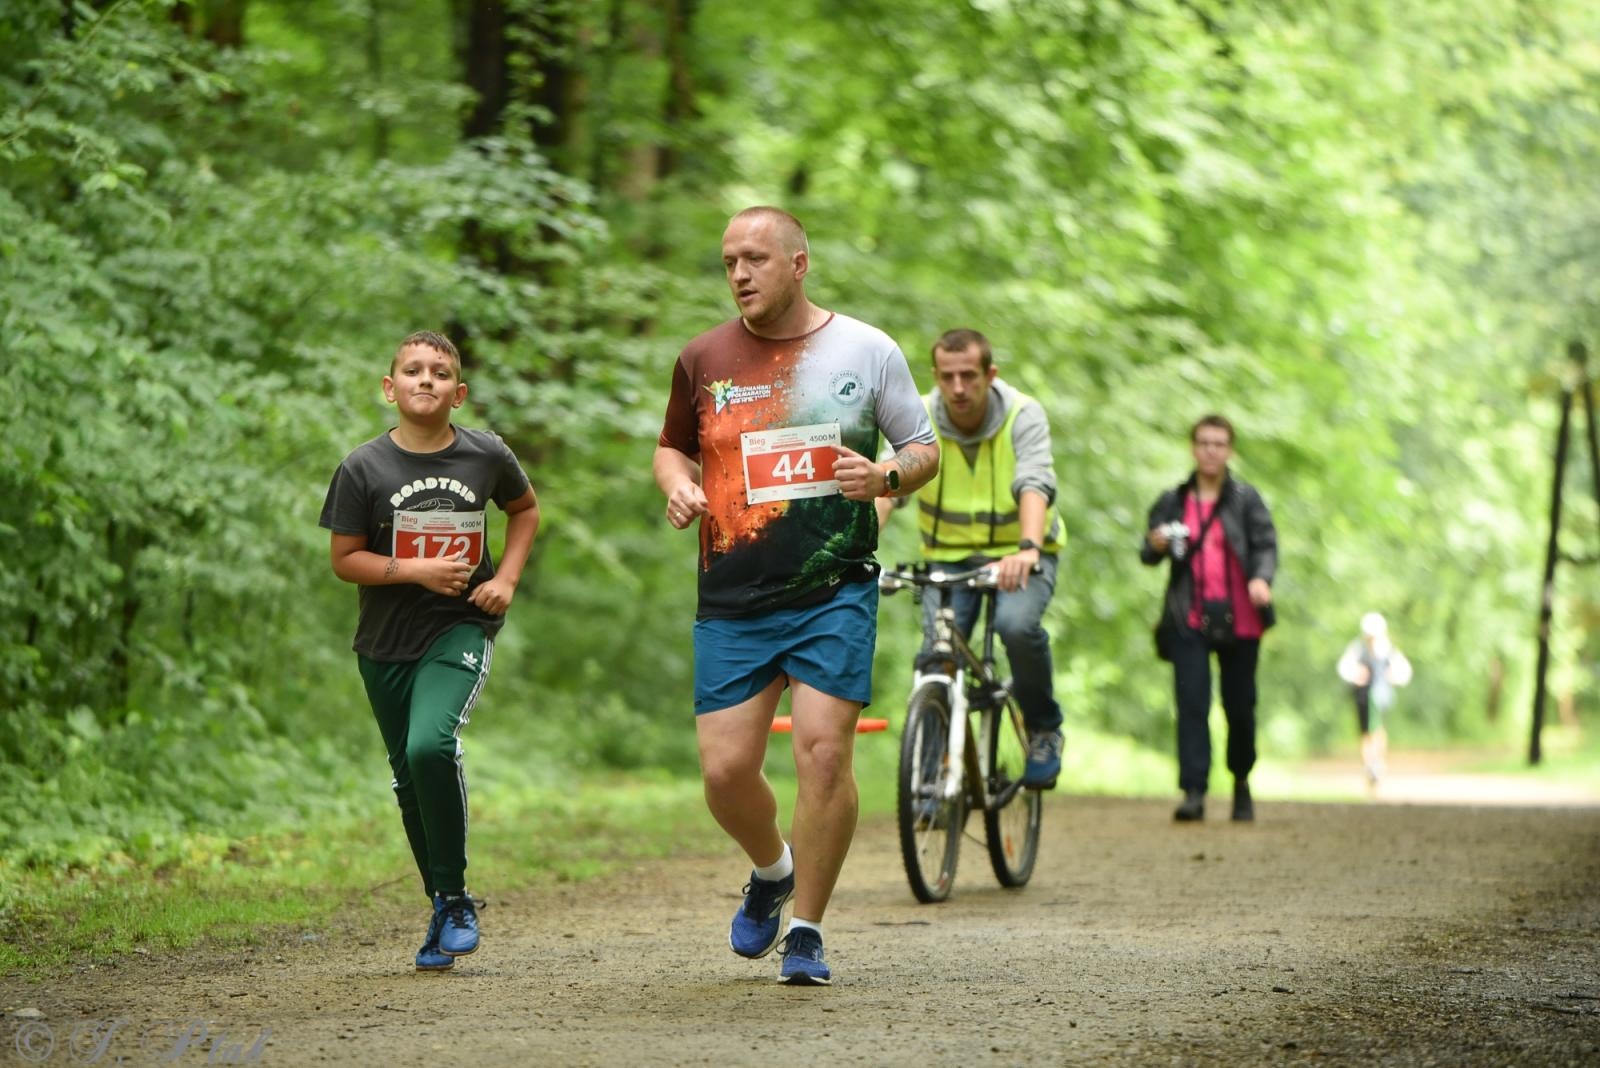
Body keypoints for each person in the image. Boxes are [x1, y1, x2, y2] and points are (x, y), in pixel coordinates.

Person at [654, 206, 939, 986]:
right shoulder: (702, 357)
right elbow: (671, 448)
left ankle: (807, 927)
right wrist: (679, 487)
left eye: (755, 258)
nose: (739, 274)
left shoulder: (866, 350)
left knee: (821, 753)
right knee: (724, 773)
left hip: (832, 588)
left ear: (798, 263)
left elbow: (922, 448)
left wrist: (883, 476)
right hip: (733, 595)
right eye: (728, 262)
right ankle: (772, 869)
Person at [319, 330, 540, 972]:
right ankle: (443, 902)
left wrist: (505, 581)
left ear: (459, 393)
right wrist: (415, 570)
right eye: (412, 371)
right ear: (389, 388)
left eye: (439, 373)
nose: (426, 381)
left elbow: (524, 511)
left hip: (460, 626)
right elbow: (344, 561)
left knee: (430, 746)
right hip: (384, 642)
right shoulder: (363, 468)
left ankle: (458, 899)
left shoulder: (486, 455)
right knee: (407, 777)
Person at [875, 328, 1066, 787]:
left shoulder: (1023, 414)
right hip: (949, 560)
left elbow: (1034, 483)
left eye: (968, 376)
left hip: (1018, 556)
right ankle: (929, 781)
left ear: (989, 374)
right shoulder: (917, 416)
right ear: (935, 376)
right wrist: (857, 548)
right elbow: (889, 482)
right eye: (948, 377)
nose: (958, 388)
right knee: (935, 656)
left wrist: (1028, 549)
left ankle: (1043, 729)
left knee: (1015, 628)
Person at [1141, 414, 1277, 823]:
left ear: (1230, 450)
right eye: (1203, 442)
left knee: (1240, 706)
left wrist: (1261, 579)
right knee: (1192, 703)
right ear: (1193, 447)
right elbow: (1148, 553)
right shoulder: (1173, 499)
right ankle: (1194, 791)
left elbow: (1266, 544)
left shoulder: (1246, 499)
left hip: (1241, 618)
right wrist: (1157, 542)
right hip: (1189, 617)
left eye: (1219, 443)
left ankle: (1241, 783)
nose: (1211, 450)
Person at [1337, 612, 1412, 786]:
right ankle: (1369, 764)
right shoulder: (1358, 649)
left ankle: (1377, 762)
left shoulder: (1388, 650)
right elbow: (1345, 668)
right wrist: (1356, 675)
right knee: (1365, 731)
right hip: (1363, 695)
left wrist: (1393, 677)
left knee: (1378, 728)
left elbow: (1403, 671)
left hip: (1381, 696)